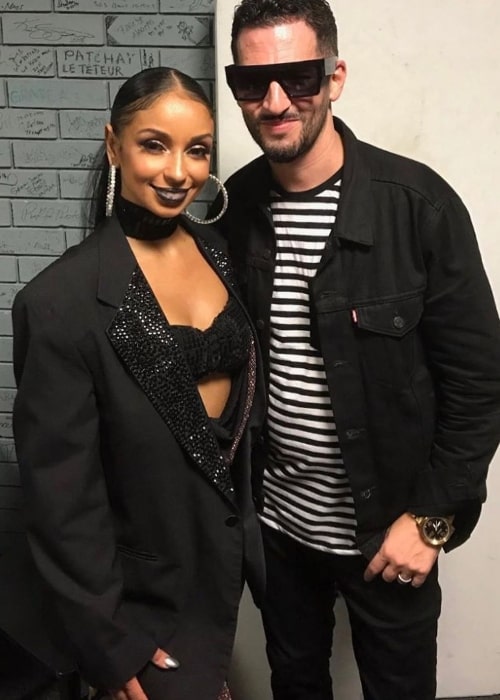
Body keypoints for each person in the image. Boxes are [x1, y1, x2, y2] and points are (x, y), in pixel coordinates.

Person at [212, 1, 500, 698]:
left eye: (299, 77)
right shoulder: (233, 208)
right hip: (280, 536)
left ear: (335, 77)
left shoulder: (418, 206)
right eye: (253, 83)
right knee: (296, 685)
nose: (275, 102)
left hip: (390, 537)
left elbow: (480, 383)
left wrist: (431, 522)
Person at [12, 66, 265, 700]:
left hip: (232, 583)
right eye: (155, 144)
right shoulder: (59, 303)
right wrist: (110, 644)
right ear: (113, 144)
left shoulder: (221, 254)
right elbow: (62, 503)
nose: (179, 171)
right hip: (142, 607)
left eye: (198, 149)